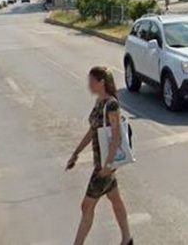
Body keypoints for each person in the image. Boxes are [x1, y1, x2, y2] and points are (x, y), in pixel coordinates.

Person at [66, 66, 133, 245]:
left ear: (101, 82)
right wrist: (76, 152)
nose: (89, 85)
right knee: (114, 198)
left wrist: (108, 165)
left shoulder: (111, 104)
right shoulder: (99, 102)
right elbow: (92, 131)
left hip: (105, 165)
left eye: (91, 82)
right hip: (102, 162)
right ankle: (127, 239)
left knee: (86, 205)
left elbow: (116, 136)